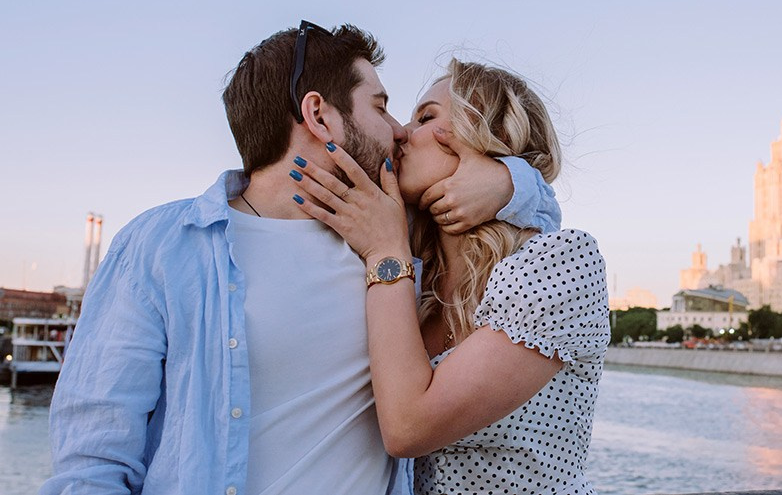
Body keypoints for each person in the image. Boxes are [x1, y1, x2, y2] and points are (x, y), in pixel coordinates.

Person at [43, 24, 561, 495]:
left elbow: (541, 223)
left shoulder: (393, 238)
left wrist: (511, 180)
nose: (398, 130)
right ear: (319, 115)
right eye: (381, 108)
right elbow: (93, 458)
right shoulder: (161, 244)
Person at [290, 58, 609, 495]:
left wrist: (387, 252)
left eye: (426, 118)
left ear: (484, 137)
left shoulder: (558, 262)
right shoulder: (414, 272)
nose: (401, 132)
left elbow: (407, 428)